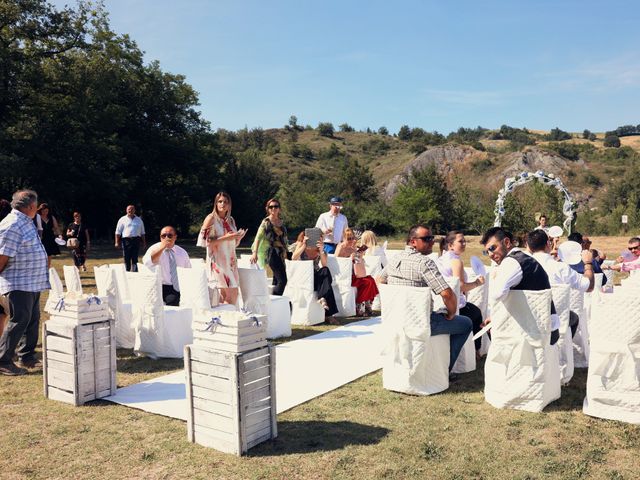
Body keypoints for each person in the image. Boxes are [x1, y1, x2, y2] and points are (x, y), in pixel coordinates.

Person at [379, 224, 472, 372]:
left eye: (432, 238)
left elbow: (380, 280)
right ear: (413, 241)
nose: (432, 242)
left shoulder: (395, 258)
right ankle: (445, 369)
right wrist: (452, 313)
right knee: (466, 323)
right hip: (422, 323)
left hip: (396, 320)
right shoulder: (424, 262)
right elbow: (447, 294)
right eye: (427, 238)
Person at [0, 190, 50, 376]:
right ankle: (3, 360)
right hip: (18, 282)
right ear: (31, 206)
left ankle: (26, 356)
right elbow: (2, 256)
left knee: (31, 319)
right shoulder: (12, 224)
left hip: (31, 282)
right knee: (19, 320)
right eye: (36, 206)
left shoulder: (24, 221)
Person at [480, 227, 559, 345]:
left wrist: (495, 276)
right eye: (487, 252)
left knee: (491, 327)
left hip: (530, 334)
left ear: (507, 242)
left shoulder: (512, 262)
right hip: (547, 328)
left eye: (493, 248)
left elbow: (496, 294)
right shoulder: (524, 258)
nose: (491, 254)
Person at [527, 229, 594, 338]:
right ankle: (563, 348)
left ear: (528, 246)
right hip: (555, 323)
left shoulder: (522, 268)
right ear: (548, 244)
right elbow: (589, 286)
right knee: (573, 318)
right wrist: (588, 263)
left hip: (528, 321)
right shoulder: (561, 268)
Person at [437, 231, 485, 355]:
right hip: (455, 307)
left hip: (440, 303)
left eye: (465, 241)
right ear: (450, 245)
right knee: (477, 313)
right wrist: (477, 283)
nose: (464, 243)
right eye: (460, 241)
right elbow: (461, 287)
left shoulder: (441, 258)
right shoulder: (456, 261)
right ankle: (476, 350)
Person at [197, 192, 246, 305]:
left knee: (224, 295)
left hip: (231, 263)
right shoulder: (211, 219)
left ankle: (222, 319)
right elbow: (204, 242)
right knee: (232, 293)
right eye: (220, 201)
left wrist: (237, 238)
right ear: (216, 204)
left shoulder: (231, 220)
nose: (222, 204)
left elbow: (232, 244)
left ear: (229, 205)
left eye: (225, 202)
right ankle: (231, 319)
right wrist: (226, 237)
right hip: (218, 263)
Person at [291, 231, 339, 324]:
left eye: (319, 237)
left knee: (325, 270)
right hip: (303, 278)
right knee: (327, 285)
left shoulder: (320, 247)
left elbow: (324, 264)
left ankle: (322, 298)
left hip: (314, 277)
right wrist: (304, 245)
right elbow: (294, 258)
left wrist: (321, 250)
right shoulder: (301, 244)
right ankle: (329, 315)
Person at [142, 226, 191, 306]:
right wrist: (162, 247)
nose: (166, 238)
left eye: (170, 235)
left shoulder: (182, 252)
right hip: (162, 286)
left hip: (181, 285)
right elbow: (148, 262)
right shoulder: (154, 248)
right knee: (174, 301)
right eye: (163, 236)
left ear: (175, 237)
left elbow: (188, 270)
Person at [336, 228, 379, 316]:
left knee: (370, 280)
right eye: (349, 239)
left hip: (354, 274)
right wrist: (349, 259)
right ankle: (360, 306)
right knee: (366, 282)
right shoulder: (341, 247)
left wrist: (360, 255)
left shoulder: (353, 248)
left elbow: (357, 262)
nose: (351, 240)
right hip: (344, 275)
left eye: (352, 238)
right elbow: (335, 262)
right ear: (343, 238)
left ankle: (367, 306)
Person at [250, 198, 289, 295]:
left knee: (276, 280)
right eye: (271, 207)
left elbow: (285, 240)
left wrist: (287, 253)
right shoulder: (266, 222)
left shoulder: (281, 223)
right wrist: (254, 253)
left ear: (279, 209)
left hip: (281, 253)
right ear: (268, 209)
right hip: (271, 253)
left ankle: (274, 304)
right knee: (283, 280)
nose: (273, 209)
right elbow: (258, 238)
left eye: (276, 206)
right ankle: (274, 299)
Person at [115, 205, 146, 272]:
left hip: (136, 240)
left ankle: (135, 272)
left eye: (132, 209)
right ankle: (127, 271)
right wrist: (117, 242)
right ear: (126, 210)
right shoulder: (122, 219)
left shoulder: (139, 220)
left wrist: (144, 242)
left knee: (135, 257)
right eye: (129, 209)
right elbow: (118, 232)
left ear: (134, 210)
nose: (130, 211)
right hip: (126, 241)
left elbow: (142, 232)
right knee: (126, 257)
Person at [37, 203, 62, 268]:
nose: (45, 212)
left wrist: (59, 235)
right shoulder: (37, 217)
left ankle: (47, 268)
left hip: (50, 237)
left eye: (46, 211)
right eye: (43, 211)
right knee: (41, 254)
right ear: (40, 210)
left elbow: (56, 227)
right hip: (41, 238)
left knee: (49, 254)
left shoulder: (52, 217)